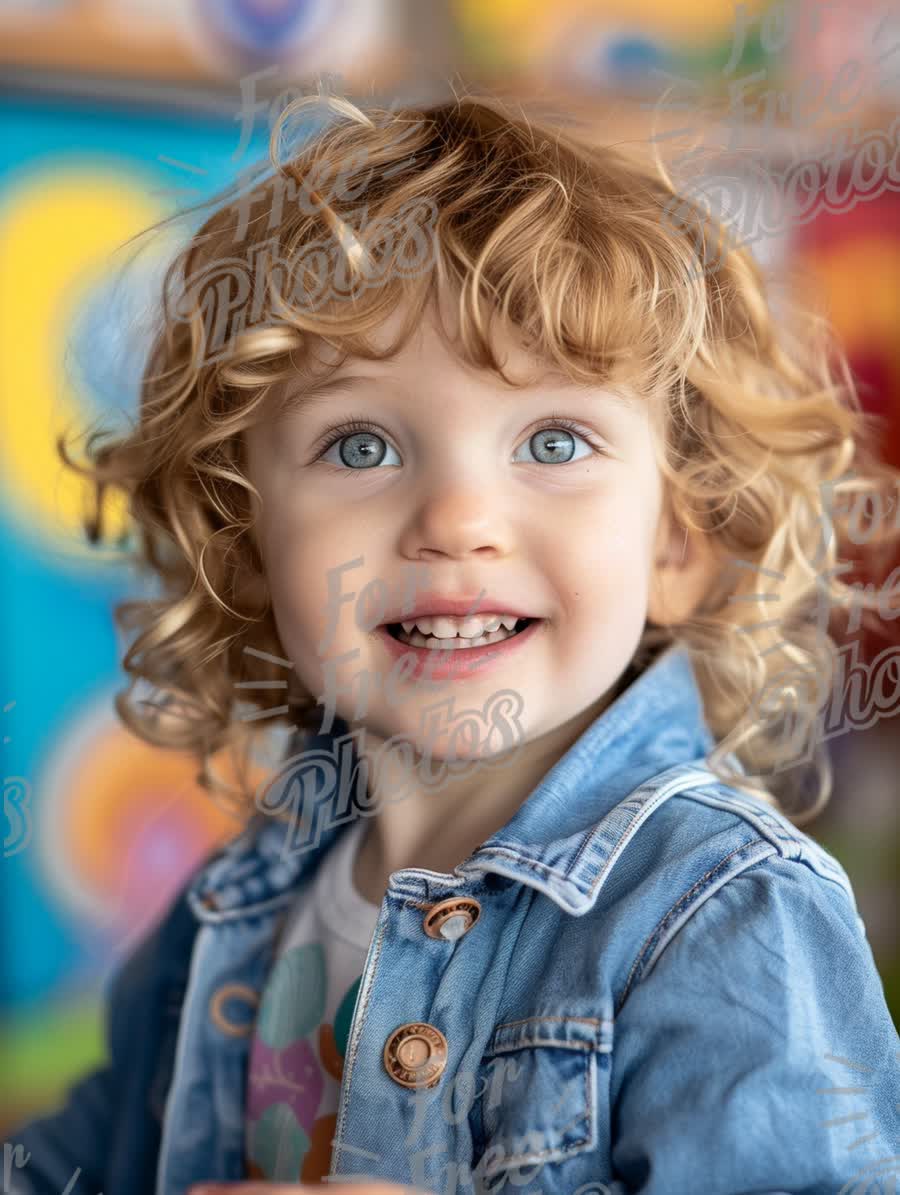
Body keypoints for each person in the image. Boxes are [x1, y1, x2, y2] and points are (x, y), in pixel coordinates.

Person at [9, 93, 900, 1195]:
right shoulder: (241, 895)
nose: (456, 518)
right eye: (362, 442)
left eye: (555, 438)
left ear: (679, 540)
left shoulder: (725, 914)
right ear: (249, 545)